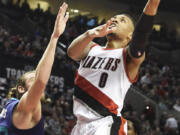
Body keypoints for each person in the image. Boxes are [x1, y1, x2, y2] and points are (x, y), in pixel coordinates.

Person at [67, 0, 160, 135]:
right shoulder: (91, 47)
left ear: (130, 36)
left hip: (105, 123)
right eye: (114, 18)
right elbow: (71, 53)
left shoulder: (128, 56)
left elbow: (141, 34)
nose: (116, 20)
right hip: (80, 125)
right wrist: (90, 34)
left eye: (122, 21)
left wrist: (153, 3)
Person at [0, 2, 69, 135]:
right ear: (21, 88)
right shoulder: (24, 108)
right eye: (32, 78)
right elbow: (40, 82)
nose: (37, 79)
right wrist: (54, 38)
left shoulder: (9, 107)